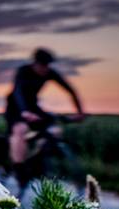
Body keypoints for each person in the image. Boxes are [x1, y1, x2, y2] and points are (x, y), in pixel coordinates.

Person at [5, 48, 85, 188]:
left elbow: (71, 90)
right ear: (35, 63)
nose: (45, 69)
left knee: (54, 130)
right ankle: (19, 170)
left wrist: (79, 112)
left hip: (34, 106)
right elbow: (17, 91)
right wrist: (24, 112)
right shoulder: (23, 71)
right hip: (16, 107)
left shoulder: (50, 73)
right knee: (20, 130)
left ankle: (38, 160)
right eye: (42, 65)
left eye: (47, 65)